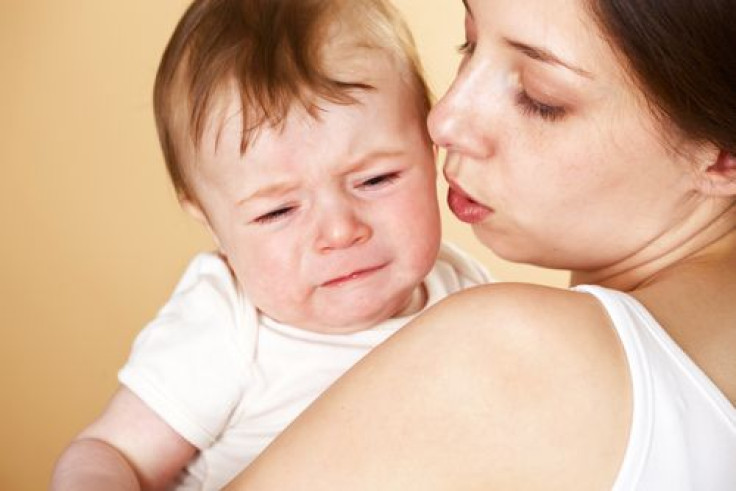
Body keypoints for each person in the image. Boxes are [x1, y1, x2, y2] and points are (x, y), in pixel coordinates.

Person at [225, 0, 736, 489]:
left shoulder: (509, 354)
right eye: (467, 44)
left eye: (541, 98)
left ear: (722, 158)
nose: (443, 120)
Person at [50, 0, 492, 488]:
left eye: (375, 179)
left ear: (431, 153)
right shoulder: (227, 324)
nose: (340, 231)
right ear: (212, 224)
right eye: (278, 211)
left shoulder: (464, 291)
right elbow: (112, 452)